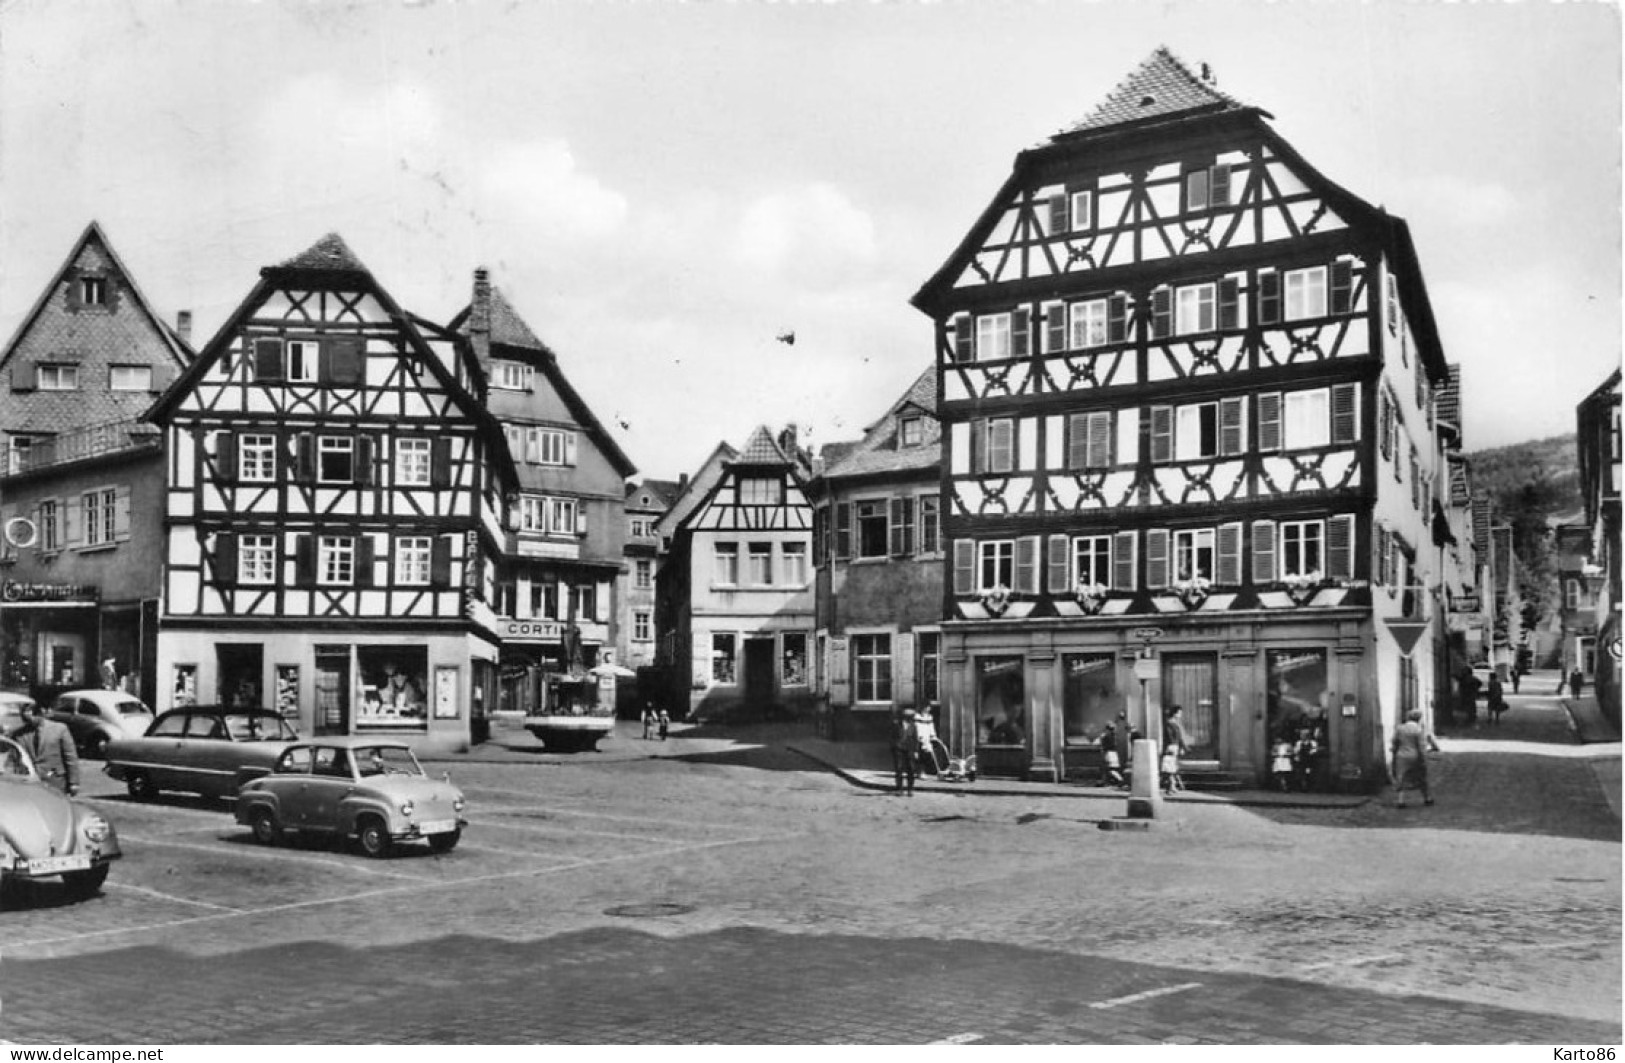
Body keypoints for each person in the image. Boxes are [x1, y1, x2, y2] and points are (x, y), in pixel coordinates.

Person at [13, 701, 79, 795]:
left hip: (55, 781)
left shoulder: (60, 729)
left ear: (42, 712)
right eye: (25, 715)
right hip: (29, 782)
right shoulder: (19, 734)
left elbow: (70, 757)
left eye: (34, 714)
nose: (30, 717)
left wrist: (74, 782)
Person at [1390, 708, 1441, 808]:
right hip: (1415, 756)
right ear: (1419, 719)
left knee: (1401, 777)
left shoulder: (1400, 728)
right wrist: (1423, 759)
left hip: (1401, 756)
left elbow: (1395, 742)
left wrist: (1395, 754)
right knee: (1421, 777)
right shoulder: (1419, 730)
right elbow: (1421, 746)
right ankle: (1427, 798)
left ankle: (1401, 801)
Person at [891, 708, 919, 795]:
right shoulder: (896, 725)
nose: (910, 719)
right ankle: (899, 789)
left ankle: (910, 789)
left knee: (911, 769)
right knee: (899, 769)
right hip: (899, 749)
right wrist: (894, 747)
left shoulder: (913, 726)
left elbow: (915, 739)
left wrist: (916, 751)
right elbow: (892, 737)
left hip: (909, 749)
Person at [1161, 706, 1188, 794]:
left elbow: (1179, 737)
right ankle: (1169, 787)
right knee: (1169, 768)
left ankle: (1172, 786)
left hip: (1175, 746)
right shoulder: (1170, 723)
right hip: (1171, 746)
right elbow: (1170, 736)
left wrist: (1182, 747)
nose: (1180, 715)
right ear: (1175, 713)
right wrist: (1173, 746)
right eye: (1179, 713)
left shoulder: (1175, 723)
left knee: (1172, 768)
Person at [1099, 724, 1125, 788]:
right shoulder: (1114, 735)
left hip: (1109, 753)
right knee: (1111, 769)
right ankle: (1113, 781)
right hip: (1113, 753)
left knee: (1110, 769)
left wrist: (1102, 738)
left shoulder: (1106, 736)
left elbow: (1103, 745)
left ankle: (1120, 780)